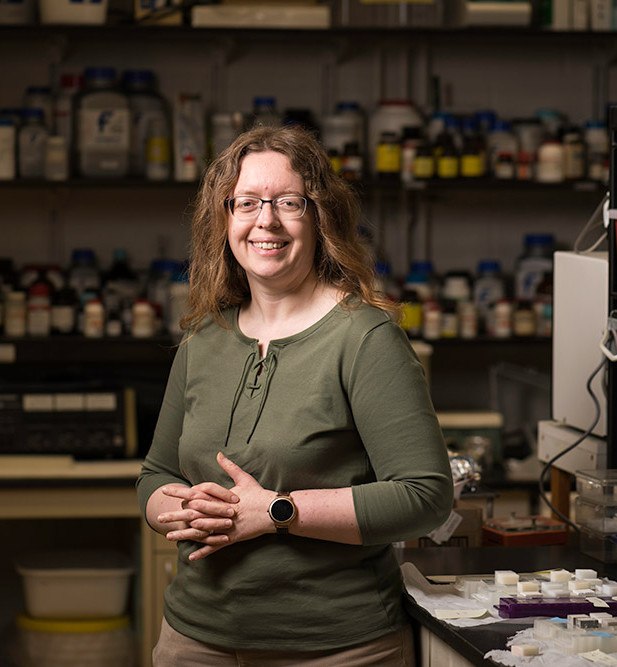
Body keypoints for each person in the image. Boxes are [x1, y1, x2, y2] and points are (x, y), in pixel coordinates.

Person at [136, 125, 453, 666]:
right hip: (193, 637)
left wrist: (278, 511)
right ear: (225, 220)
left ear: (320, 216)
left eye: (288, 202)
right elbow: (155, 476)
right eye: (247, 203)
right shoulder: (203, 339)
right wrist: (185, 507)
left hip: (335, 647)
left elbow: (424, 497)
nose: (267, 221)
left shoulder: (364, 338)